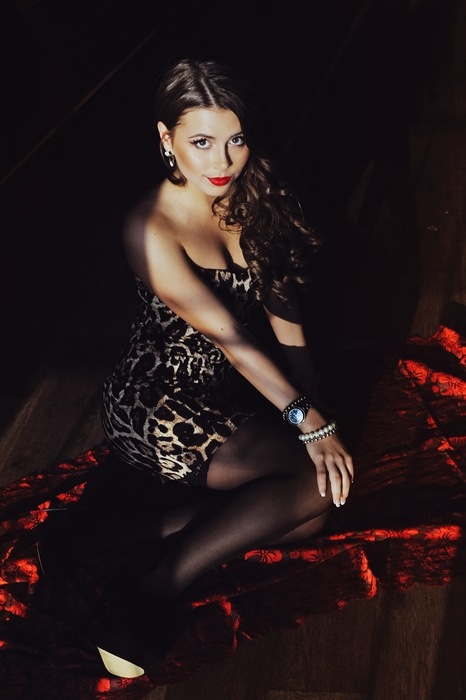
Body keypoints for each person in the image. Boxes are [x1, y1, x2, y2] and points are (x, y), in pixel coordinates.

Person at [91, 57, 354, 678]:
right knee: (315, 488)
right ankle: (156, 584)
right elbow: (230, 335)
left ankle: (145, 530)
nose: (223, 161)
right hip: (154, 402)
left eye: (235, 140)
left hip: (228, 388)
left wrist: (309, 392)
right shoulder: (149, 226)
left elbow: (280, 297)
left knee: (319, 503)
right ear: (167, 139)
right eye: (202, 142)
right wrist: (309, 423)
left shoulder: (248, 191)